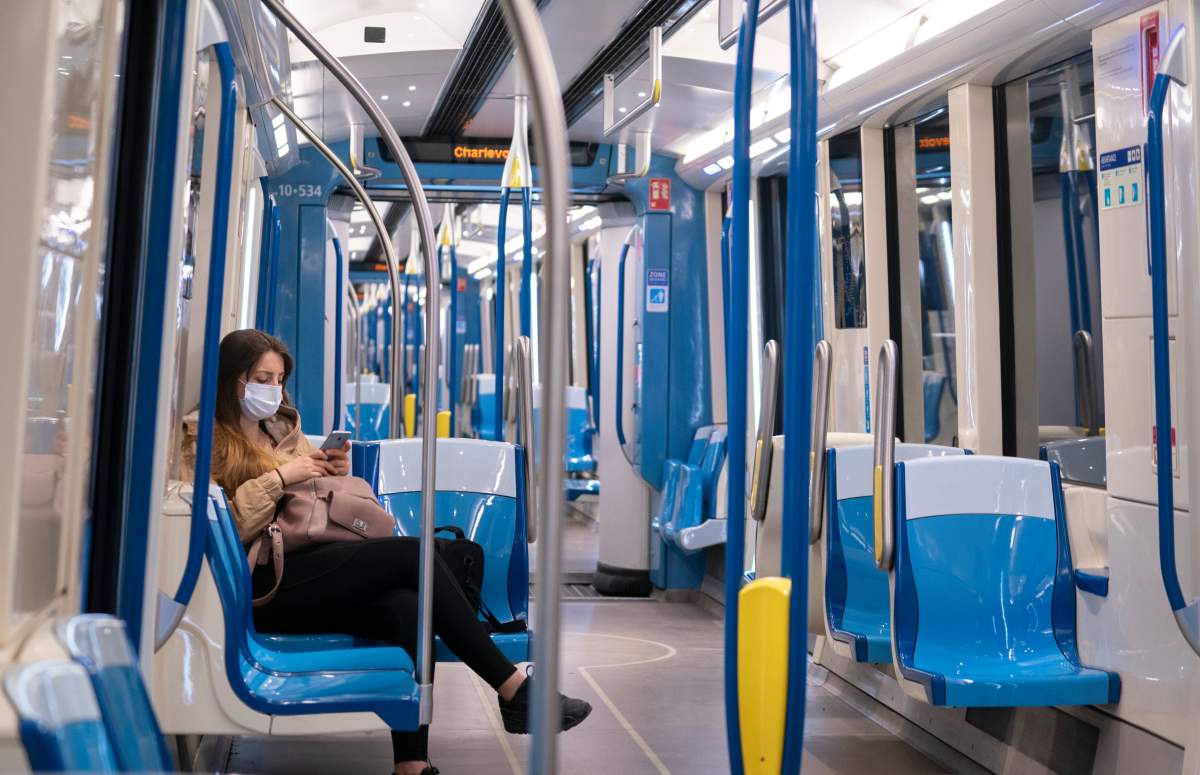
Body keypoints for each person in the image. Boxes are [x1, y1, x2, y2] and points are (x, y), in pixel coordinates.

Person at [181, 329, 590, 775]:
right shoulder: (202, 439)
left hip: (309, 566)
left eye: (279, 380)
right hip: (267, 582)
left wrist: (325, 468)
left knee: (407, 607)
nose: (273, 390)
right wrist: (283, 477)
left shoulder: (278, 429)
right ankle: (514, 689)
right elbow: (226, 522)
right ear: (232, 381)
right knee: (409, 556)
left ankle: (411, 765)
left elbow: (307, 499)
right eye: (262, 378)